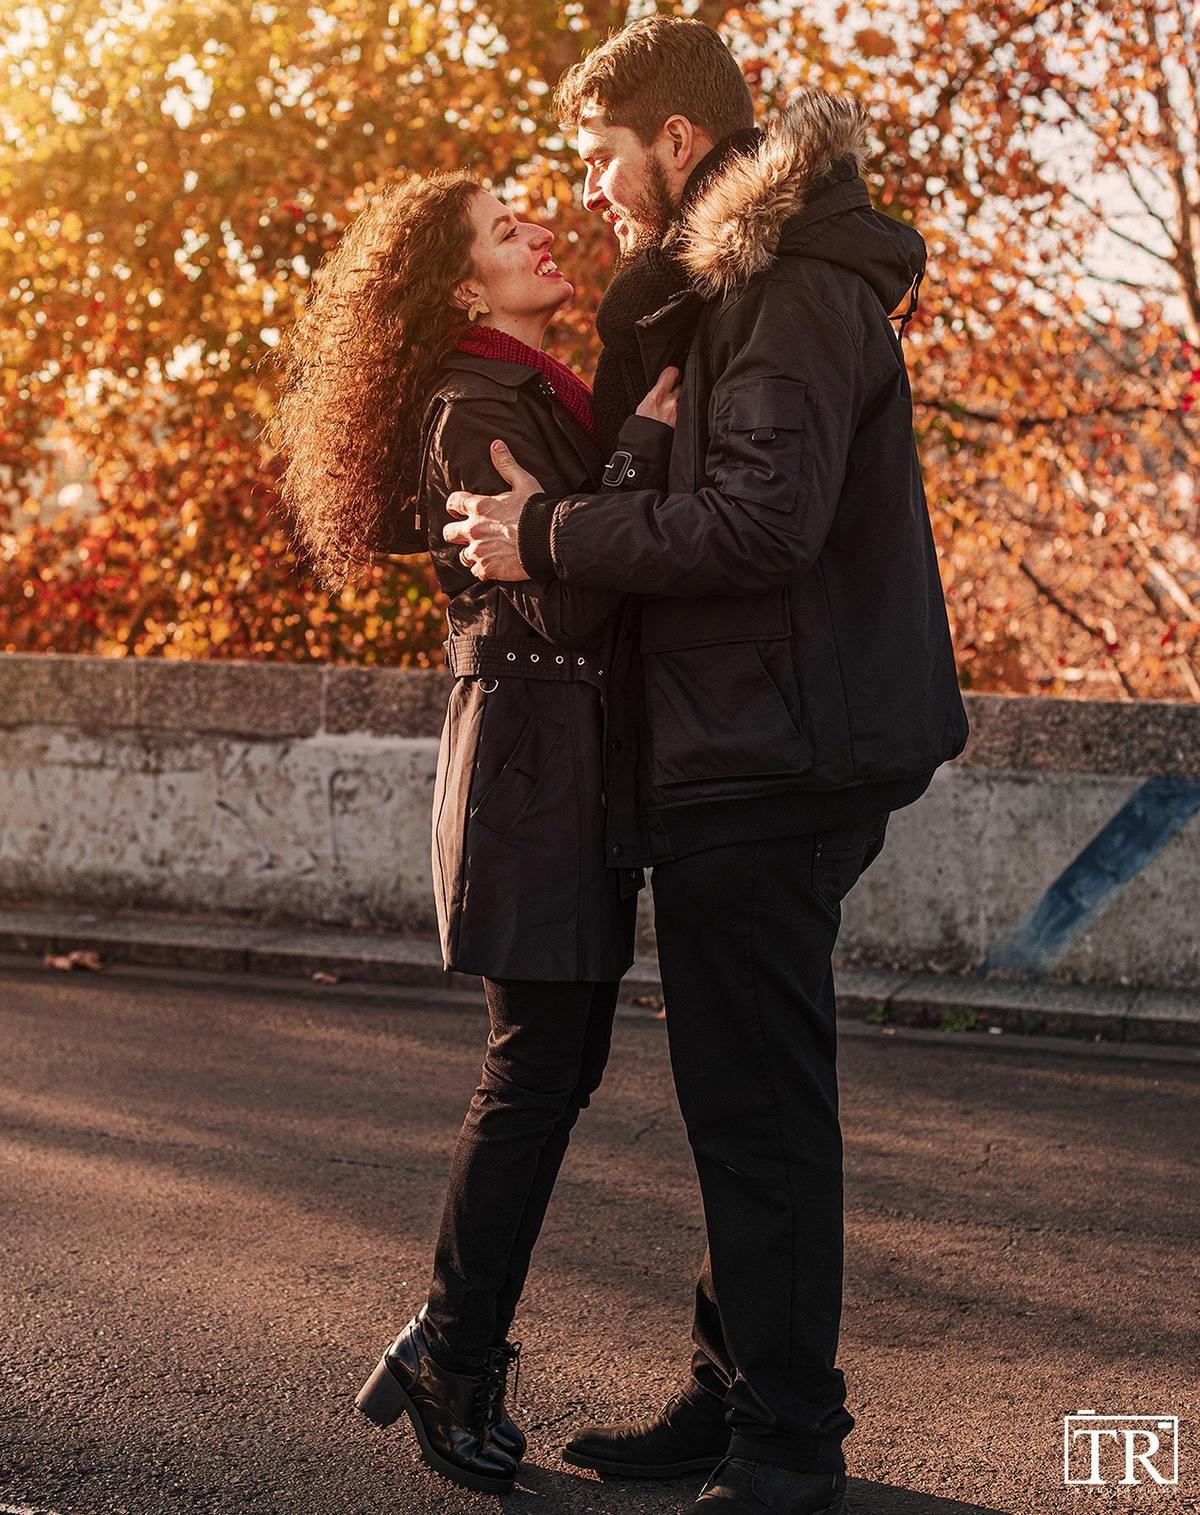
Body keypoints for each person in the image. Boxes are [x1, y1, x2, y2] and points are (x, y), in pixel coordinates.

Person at [442, 17, 971, 1515]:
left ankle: (788, 1444)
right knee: (740, 1094)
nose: (592, 192)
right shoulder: (737, 284)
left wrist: (550, 532)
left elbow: (761, 524)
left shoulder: (788, 286)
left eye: (604, 158)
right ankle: (732, 1399)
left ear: (677, 143)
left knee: (758, 1103)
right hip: (755, 733)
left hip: (775, 746)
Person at [271, 169, 680, 1497]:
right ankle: (450, 1357)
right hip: (530, 765)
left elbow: (574, 558)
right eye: (507, 231)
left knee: (554, 1069)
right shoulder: (473, 408)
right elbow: (566, 605)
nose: (540, 230)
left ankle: (448, 1347)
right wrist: (643, 451)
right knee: (532, 1072)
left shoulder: (533, 391)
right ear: (461, 286)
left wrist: (618, 458)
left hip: (566, 761)